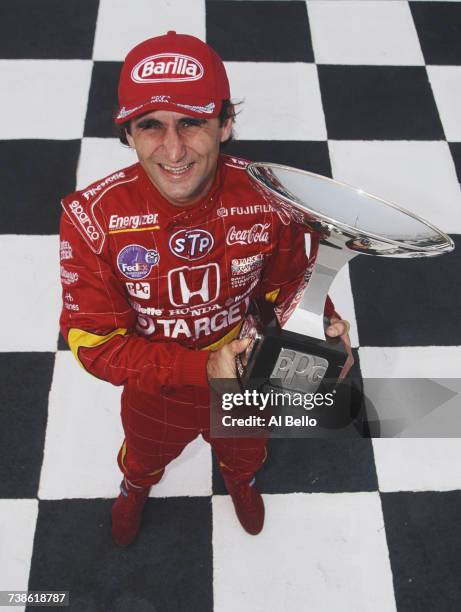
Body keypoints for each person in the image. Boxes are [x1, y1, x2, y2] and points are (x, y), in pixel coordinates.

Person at [59, 31, 351, 546]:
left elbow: (287, 284)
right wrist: (200, 367)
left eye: (192, 123)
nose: (173, 150)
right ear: (128, 132)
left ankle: (241, 483)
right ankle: (134, 489)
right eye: (151, 126)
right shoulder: (91, 217)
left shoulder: (270, 197)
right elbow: (93, 346)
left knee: (244, 454)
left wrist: (317, 326)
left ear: (226, 124)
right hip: (155, 392)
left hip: (245, 380)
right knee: (146, 457)